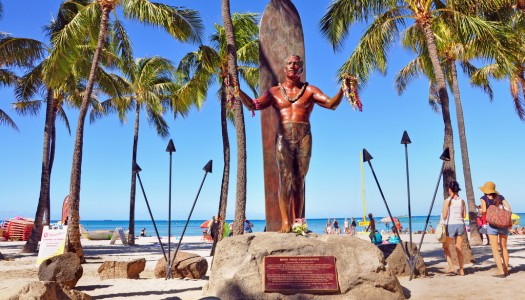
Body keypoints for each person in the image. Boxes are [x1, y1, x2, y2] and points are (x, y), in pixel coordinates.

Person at [238, 55, 346, 233]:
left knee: (299, 181)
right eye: (289, 63)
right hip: (283, 137)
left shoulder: (310, 90)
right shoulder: (274, 92)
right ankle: (285, 223)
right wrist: (238, 91)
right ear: (284, 67)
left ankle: (299, 222)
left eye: (297, 63)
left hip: (304, 136)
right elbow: (253, 105)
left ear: (301, 69)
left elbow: (331, 104)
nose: (293, 66)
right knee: (285, 179)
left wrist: (343, 89)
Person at [480, 181, 511, 277]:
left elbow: (484, 211)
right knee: (504, 248)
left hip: (492, 226)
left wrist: (481, 211)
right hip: (503, 225)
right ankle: (506, 269)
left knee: (495, 249)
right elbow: (508, 208)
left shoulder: (483, 198)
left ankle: (500, 271)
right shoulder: (500, 197)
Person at [441, 180, 467, 276]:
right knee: (458, 248)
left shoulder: (447, 201)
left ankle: (451, 267)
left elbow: (444, 216)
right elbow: (464, 215)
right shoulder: (462, 201)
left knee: (445, 247)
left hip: (450, 225)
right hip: (460, 224)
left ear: (450, 189)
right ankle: (461, 270)